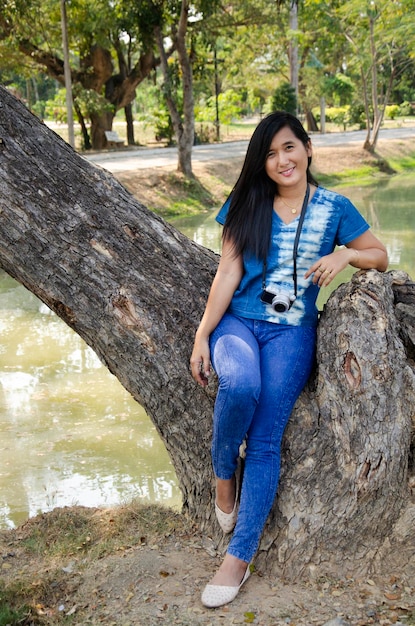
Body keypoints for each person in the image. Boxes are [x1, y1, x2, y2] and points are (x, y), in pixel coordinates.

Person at [190, 111, 388, 609]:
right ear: (262, 163)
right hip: (239, 324)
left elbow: (381, 255)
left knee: (265, 440)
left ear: (307, 148)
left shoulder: (335, 207)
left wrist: (346, 255)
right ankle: (221, 475)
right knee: (238, 385)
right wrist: (202, 335)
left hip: (292, 334)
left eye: (289, 148)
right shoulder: (246, 203)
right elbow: (227, 274)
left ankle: (238, 557)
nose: (282, 161)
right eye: (271, 154)